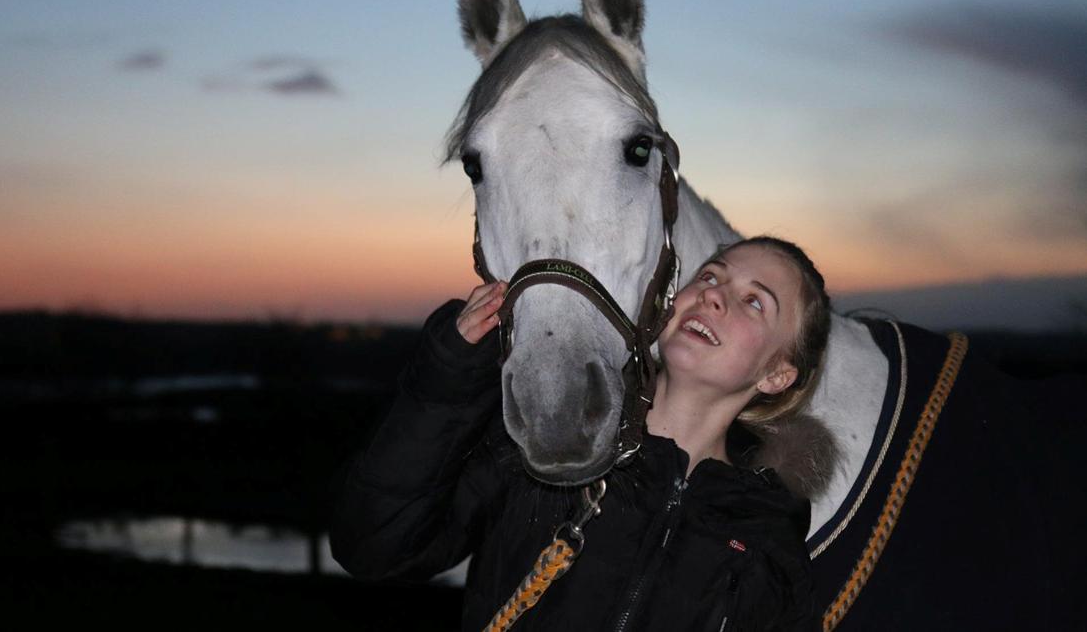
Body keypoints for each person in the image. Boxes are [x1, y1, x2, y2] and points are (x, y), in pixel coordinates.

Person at [331, 236, 830, 630]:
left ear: (776, 375)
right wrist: (448, 376)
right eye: (710, 276)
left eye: (754, 302)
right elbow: (375, 547)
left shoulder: (767, 537)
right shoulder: (552, 448)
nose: (715, 296)